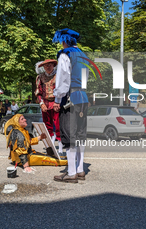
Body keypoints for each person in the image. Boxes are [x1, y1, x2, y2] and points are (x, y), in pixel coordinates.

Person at [52, 28, 89, 183]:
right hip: (83, 97)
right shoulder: (84, 56)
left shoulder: (65, 54)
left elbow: (63, 79)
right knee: (80, 135)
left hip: (70, 98)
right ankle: (80, 170)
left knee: (69, 135)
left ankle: (72, 173)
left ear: (64, 40)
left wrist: (57, 99)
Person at [35, 59, 62, 153]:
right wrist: (41, 104)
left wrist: (58, 102)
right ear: (43, 67)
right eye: (46, 66)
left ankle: (61, 148)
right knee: (47, 126)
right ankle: (50, 147)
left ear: (53, 66)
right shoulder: (40, 77)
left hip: (56, 102)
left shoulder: (59, 76)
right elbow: (38, 93)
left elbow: (62, 90)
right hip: (45, 104)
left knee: (59, 125)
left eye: (50, 65)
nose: (48, 67)